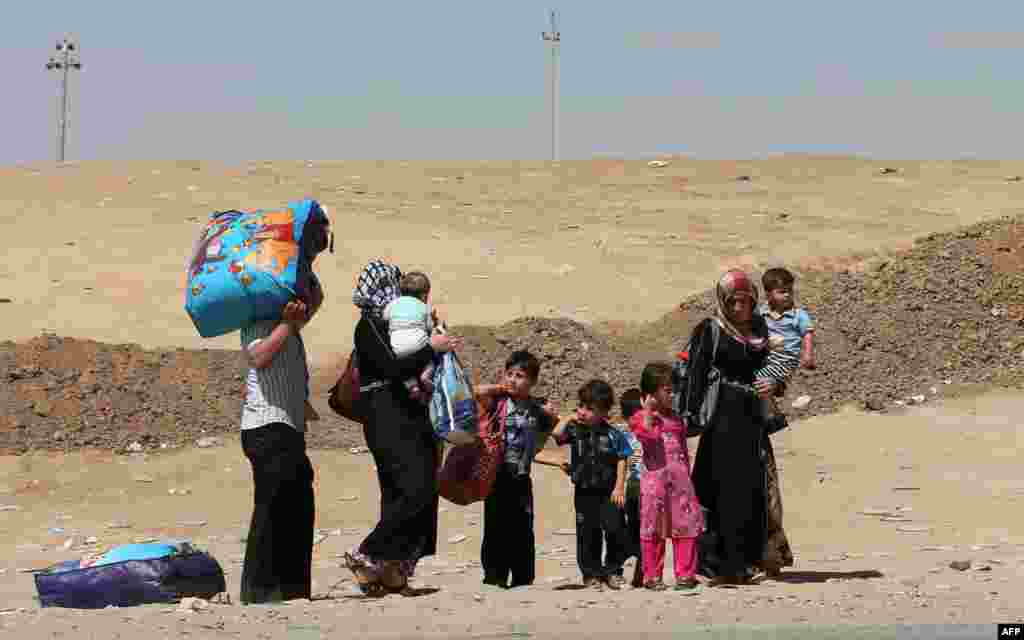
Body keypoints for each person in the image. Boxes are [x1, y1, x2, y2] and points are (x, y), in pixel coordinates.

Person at [343, 260, 461, 597]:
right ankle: (369, 552)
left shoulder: (402, 324)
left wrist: (433, 333)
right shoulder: (369, 327)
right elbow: (393, 368)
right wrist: (429, 348)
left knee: (407, 494)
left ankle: (393, 572)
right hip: (387, 419)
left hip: (414, 418)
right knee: (414, 491)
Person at [683, 270, 793, 586]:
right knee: (723, 490)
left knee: (756, 489)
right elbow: (695, 374)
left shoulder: (762, 328)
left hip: (753, 421)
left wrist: (775, 384)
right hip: (722, 422)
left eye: (746, 301)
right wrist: (688, 418)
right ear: (724, 301)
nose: (740, 308)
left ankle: (753, 557)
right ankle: (722, 563)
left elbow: (777, 369)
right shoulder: (711, 329)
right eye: (734, 301)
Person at [238, 292, 320, 604]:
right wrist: (287, 324)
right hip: (265, 426)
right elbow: (258, 357)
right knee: (271, 506)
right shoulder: (256, 321)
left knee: (299, 506)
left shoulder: (292, 326)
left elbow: (316, 298)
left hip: (288, 428)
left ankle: (293, 589)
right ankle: (259, 591)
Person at [475, 350, 561, 589]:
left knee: (523, 527)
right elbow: (476, 392)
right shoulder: (498, 402)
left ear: (532, 381)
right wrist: (500, 387)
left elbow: (549, 433)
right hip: (496, 474)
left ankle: (523, 577)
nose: (513, 379)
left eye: (520, 375)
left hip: (521, 475)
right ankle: (495, 576)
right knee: (495, 526)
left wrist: (551, 415)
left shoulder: (536, 408)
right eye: (509, 373)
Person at [552, 380, 633, 590]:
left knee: (615, 529)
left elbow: (622, 458)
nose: (582, 412)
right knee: (588, 533)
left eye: (589, 408)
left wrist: (619, 487)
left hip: (609, 492)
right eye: (581, 406)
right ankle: (591, 574)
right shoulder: (575, 430)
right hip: (584, 491)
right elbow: (556, 435)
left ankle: (613, 571)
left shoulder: (614, 434)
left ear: (604, 412)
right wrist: (569, 417)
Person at [630, 362, 705, 591]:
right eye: (667, 390)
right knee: (653, 529)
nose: (672, 395)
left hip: (680, 482)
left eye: (674, 390)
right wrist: (648, 413)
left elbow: (683, 451)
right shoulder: (640, 418)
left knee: (686, 526)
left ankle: (686, 575)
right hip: (655, 482)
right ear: (651, 392)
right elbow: (648, 436)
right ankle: (652, 576)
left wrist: (687, 478)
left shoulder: (676, 419)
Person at [754, 267, 817, 432]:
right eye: (782, 292)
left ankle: (772, 416)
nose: (788, 295)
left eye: (790, 291)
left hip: (785, 358)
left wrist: (808, 353)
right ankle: (772, 416)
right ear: (768, 294)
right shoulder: (762, 312)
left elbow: (807, 333)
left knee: (759, 380)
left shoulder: (798, 315)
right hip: (766, 356)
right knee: (751, 379)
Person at [382, 271, 440, 404]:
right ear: (424, 295)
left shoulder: (392, 304)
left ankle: (412, 387)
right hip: (418, 344)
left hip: (397, 346)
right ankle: (426, 375)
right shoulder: (423, 307)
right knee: (430, 358)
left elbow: (384, 318)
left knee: (403, 367)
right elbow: (430, 327)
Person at [617, 388, 646, 588]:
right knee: (636, 527)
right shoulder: (624, 434)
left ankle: (640, 572)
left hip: (644, 485)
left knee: (642, 529)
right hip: (634, 486)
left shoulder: (648, 431)